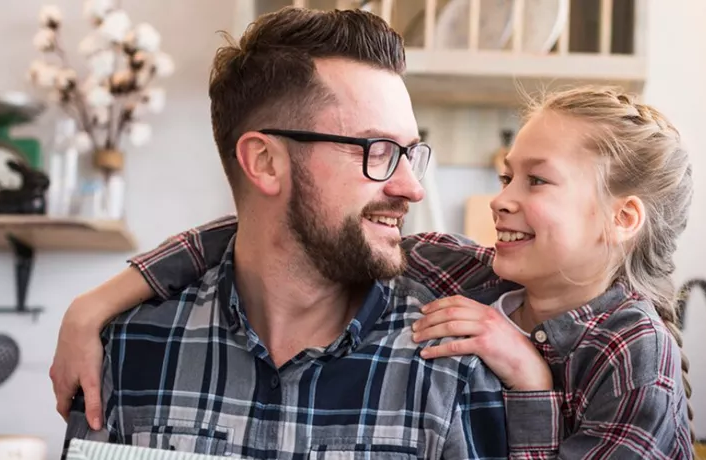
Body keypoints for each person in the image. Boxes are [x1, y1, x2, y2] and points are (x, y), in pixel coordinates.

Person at [55, 61, 696, 460]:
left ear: (623, 218)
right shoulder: (471, 277)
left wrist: (530, 382)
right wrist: (100, 301)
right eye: (507, 177)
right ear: (264, 161)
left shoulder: (634, 349)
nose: (501, 200)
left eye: (537, 181)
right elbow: (262, 233)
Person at [57, 7, 527, 459]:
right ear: (264, 162)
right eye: (378, 151)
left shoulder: (452, 367)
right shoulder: (124, 350)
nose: (411, 188)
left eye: (409, 153)